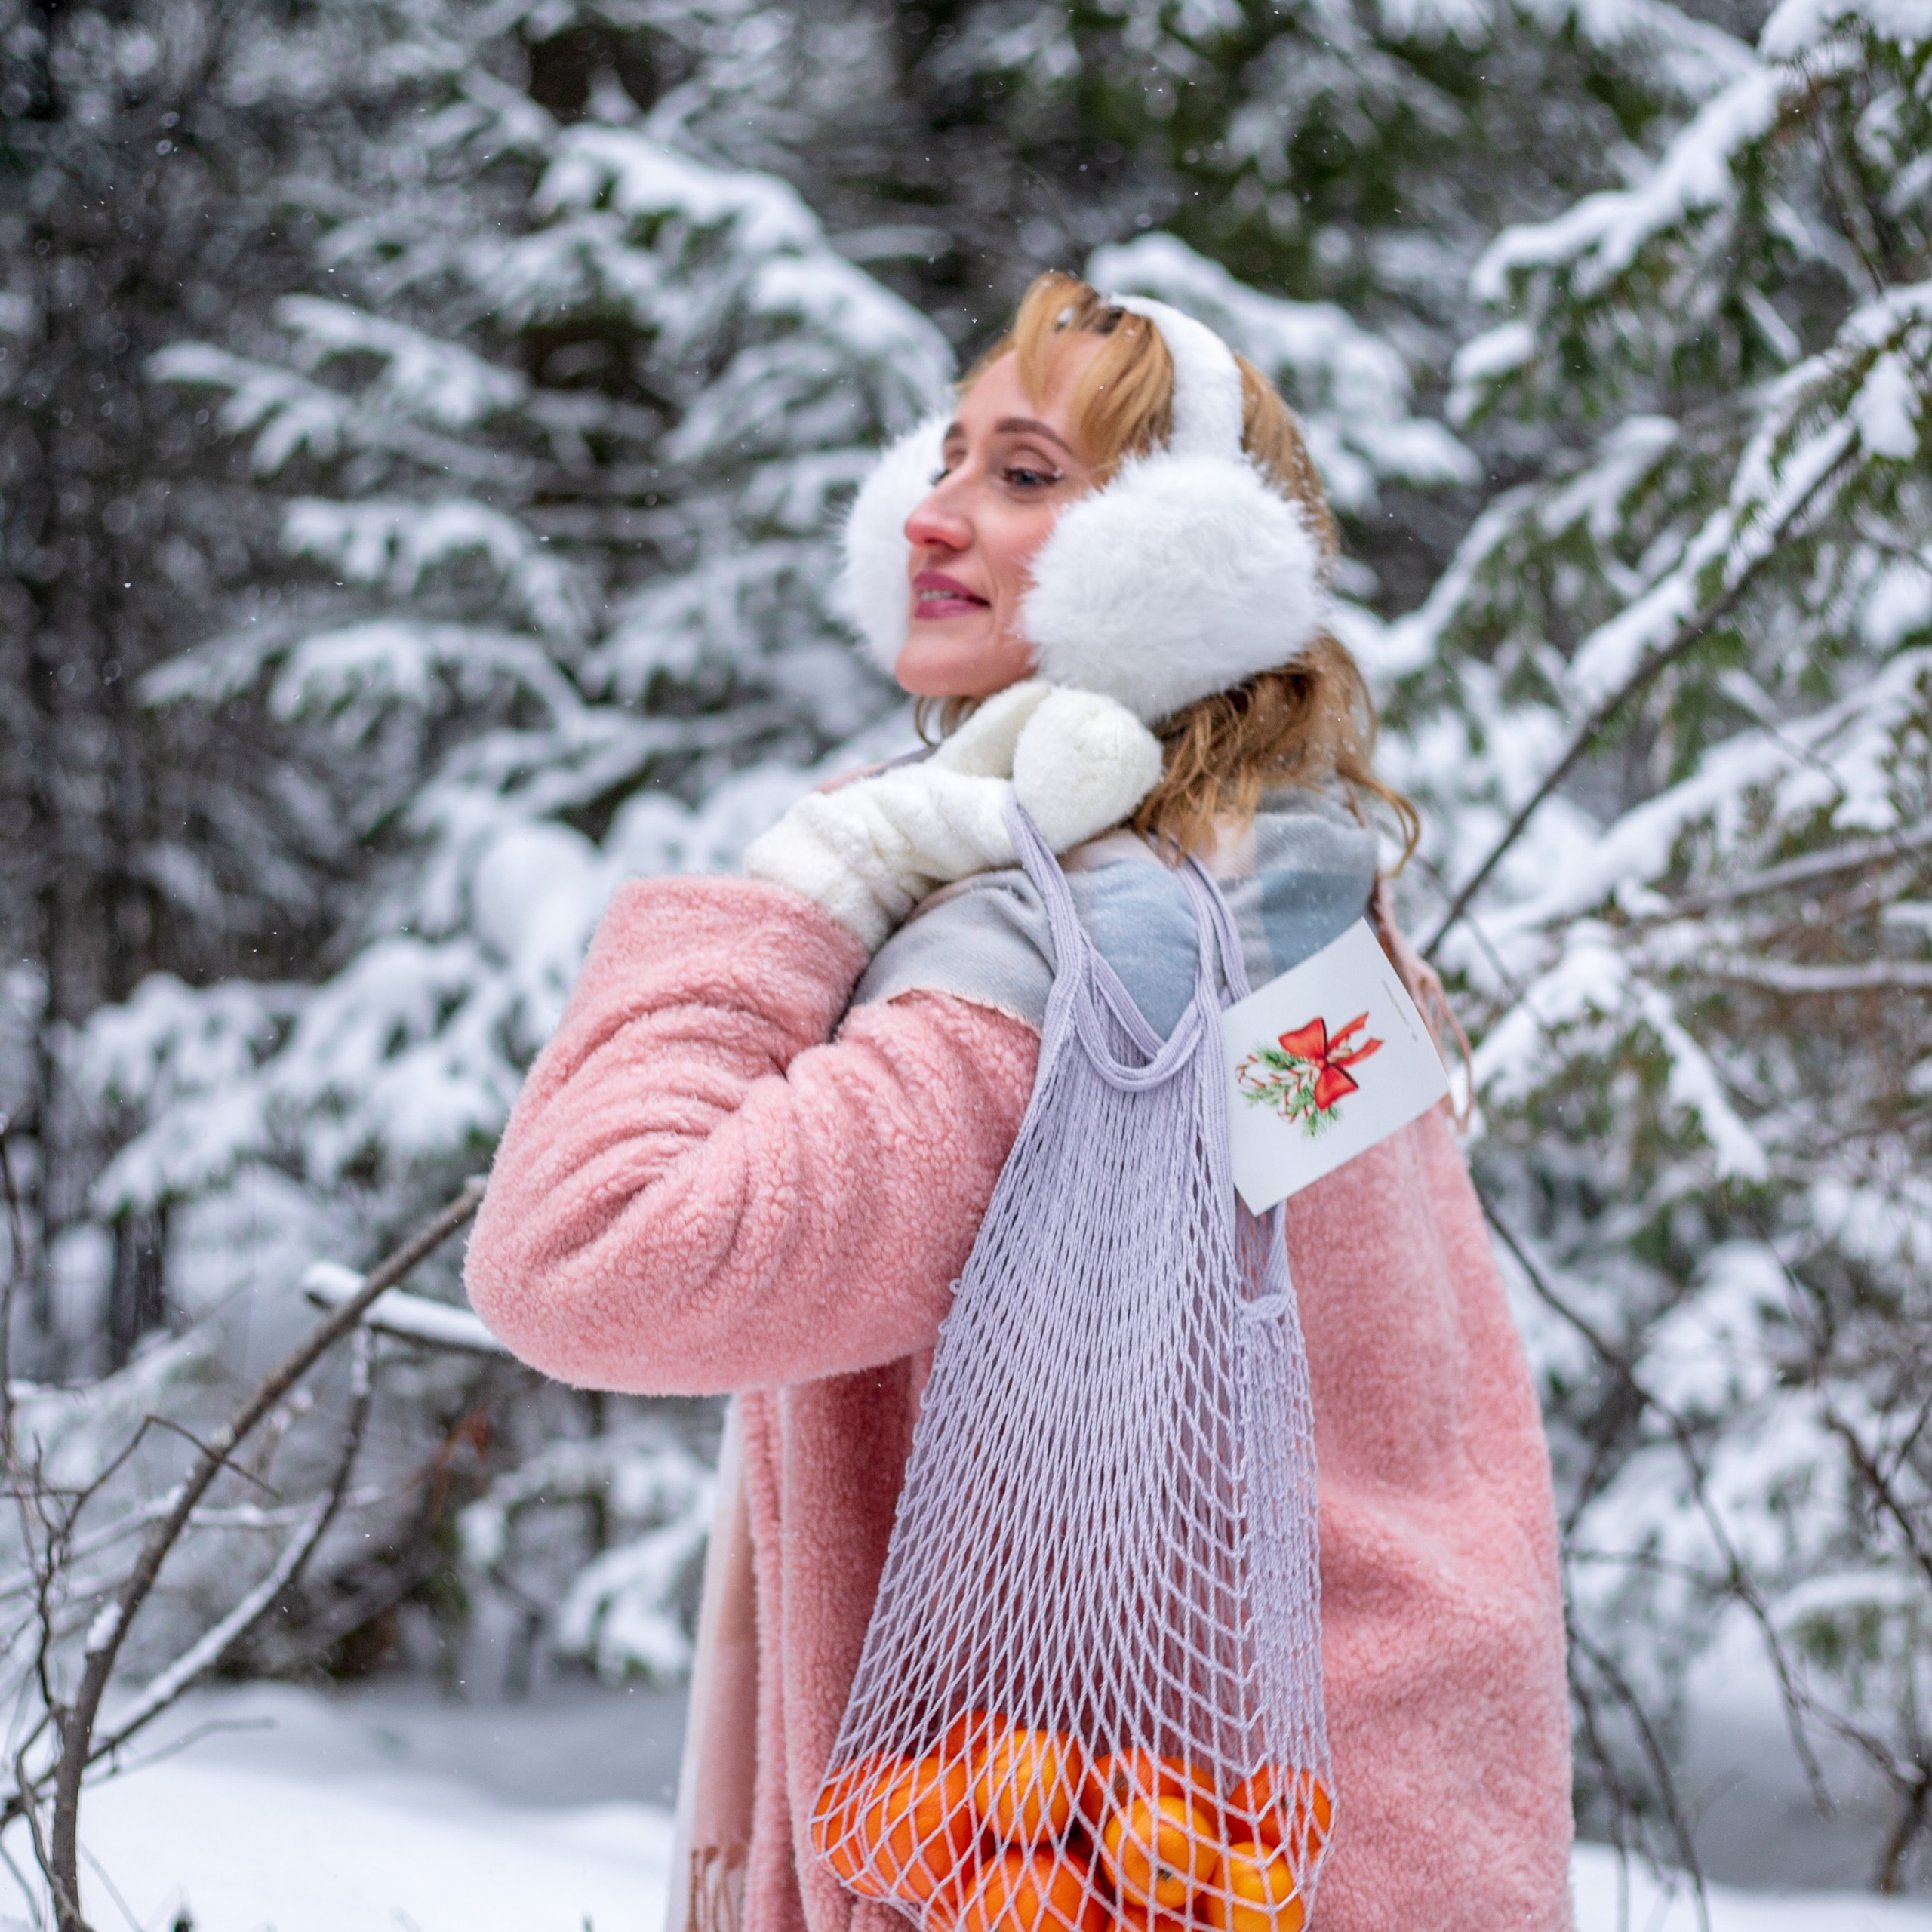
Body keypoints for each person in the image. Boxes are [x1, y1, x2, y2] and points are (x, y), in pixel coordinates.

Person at [465, 275, 1574, 1932]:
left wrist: (819, 877)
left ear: (1175, 563)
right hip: (1372, 1819)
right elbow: (1376, 1391)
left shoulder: (1052, 967)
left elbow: (590, 1252)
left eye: (1027, 474)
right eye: (944, 455)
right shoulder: (1300, 906)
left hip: (1105, 1853)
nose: (932, 510)